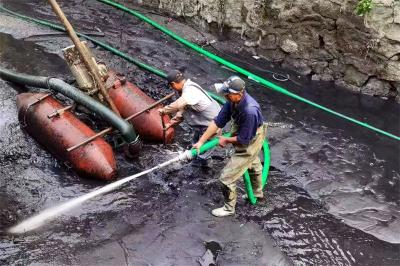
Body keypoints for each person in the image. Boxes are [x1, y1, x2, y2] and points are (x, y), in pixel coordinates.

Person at [193, 76, 267, 217]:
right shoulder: (231, 101)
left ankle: (229, 208)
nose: (225, 96)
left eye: (228, 94)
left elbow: (244, 140)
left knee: (226, 178)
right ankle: (258, 193)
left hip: (250, 138)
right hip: (245, 132)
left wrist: (226, 140)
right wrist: (201, 141)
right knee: (253, 163)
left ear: (239, 94)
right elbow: (218, 122)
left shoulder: (250, 111)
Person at [158, 69, 221, 166]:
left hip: (212, 124)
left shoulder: (190, 90)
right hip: (203, 122)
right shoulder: (188, 89)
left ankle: (201, 165)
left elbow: (179, 104)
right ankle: (194, 157)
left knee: (203, 150)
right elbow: (183, 111)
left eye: (172, 86)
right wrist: (170, 124)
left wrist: (164, 110)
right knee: (195, 143)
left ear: (173, 84)